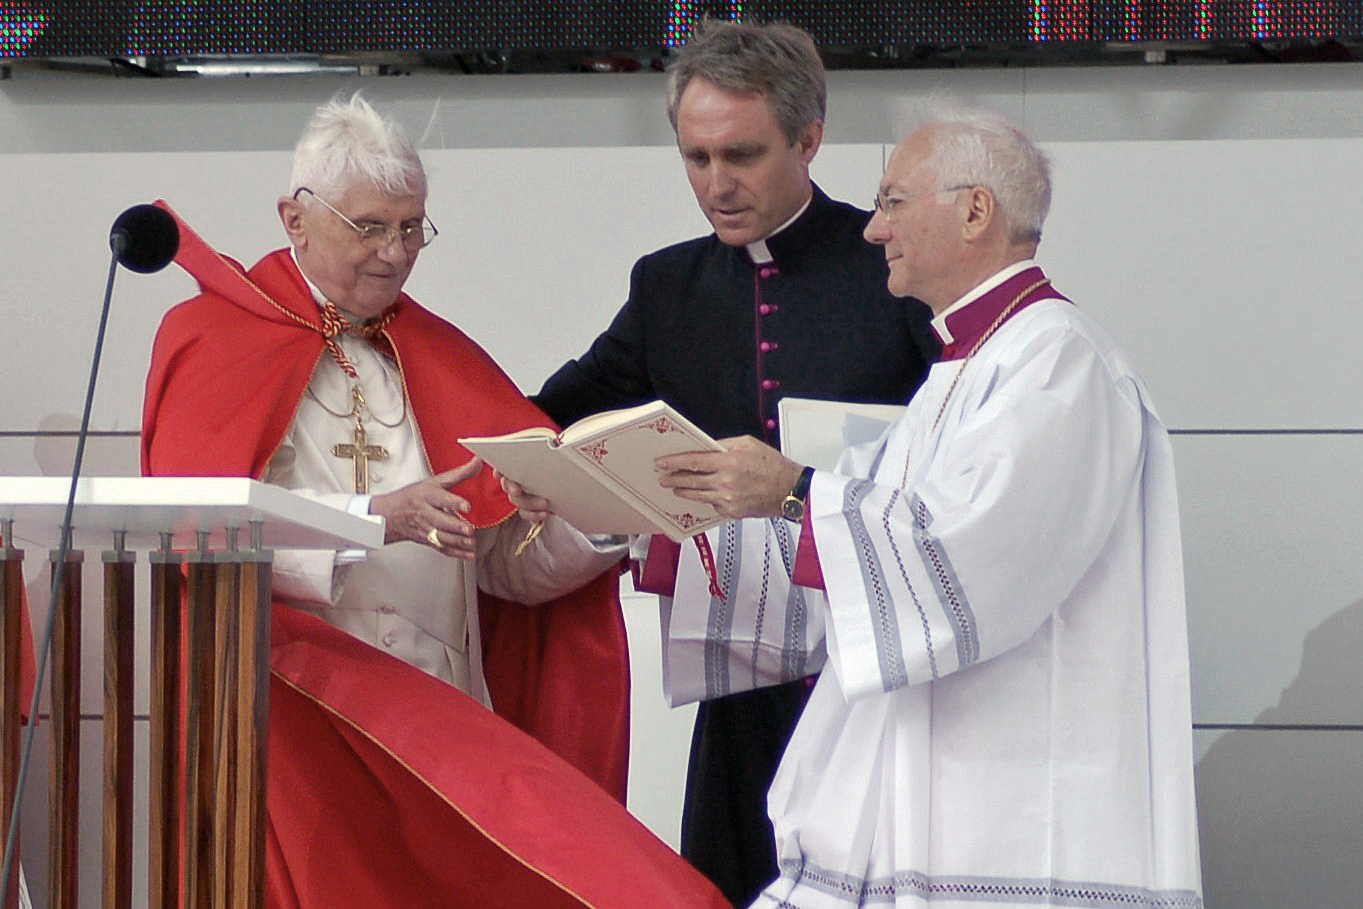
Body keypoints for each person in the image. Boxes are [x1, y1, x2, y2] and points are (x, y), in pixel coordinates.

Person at [141, 93, 726, 909]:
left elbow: (505, 569)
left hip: (442, 712)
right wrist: (374, 517)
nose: (395, 253)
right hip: (298, 720)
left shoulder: (438, 354)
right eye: (371, 226)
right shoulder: (211, 337)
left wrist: (603, 509)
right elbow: (197, 533)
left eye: (412, 227)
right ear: (295, 217)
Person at [646, 104, 1205, 907]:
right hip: (936, 787)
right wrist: (653, 528)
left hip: (1008, 811)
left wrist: (795, 488)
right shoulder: (959, 369)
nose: (873, 230)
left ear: (975, 210)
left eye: (892, 202)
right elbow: (859, 556)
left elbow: (961, 559)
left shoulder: (1057, 364)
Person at [533, 19, 937, 905]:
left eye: (742, 155)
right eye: (695, 157)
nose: (716, 186)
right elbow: (550, 411)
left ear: (808, 140)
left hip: (879, 670)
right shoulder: (666, 286)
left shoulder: (893, 270)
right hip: (737, 671)